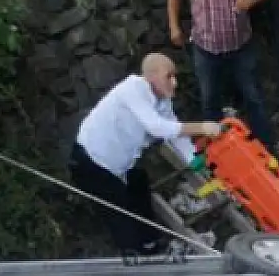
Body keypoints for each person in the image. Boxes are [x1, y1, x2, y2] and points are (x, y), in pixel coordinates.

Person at [70, 55, 222, 257]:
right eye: (169, 77)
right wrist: (202, 127)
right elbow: (157, 127)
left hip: (118, 166)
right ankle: (134, 256)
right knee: (119, 210)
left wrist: (194, 162)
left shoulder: (162, 101)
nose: (174, 83)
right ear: (152, 76)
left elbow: (175, 133)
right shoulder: (132, 90)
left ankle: (151, 244)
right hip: (90, 160)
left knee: (139, 182)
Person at [169, 0, 278, 150]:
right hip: (204, 47)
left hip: (240, 47)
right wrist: (174, 27)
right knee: (209, 101)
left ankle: (266, 149)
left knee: (253, 98)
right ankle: (220, 153)